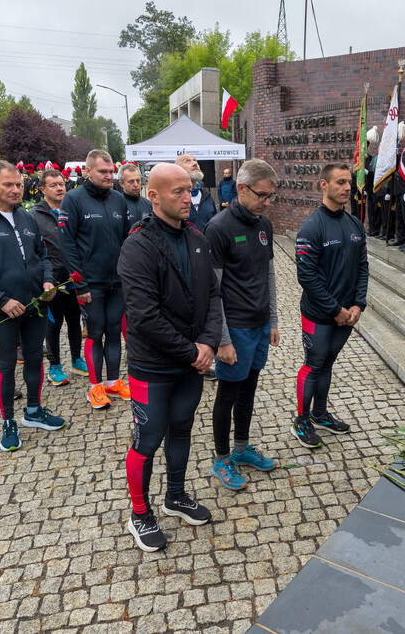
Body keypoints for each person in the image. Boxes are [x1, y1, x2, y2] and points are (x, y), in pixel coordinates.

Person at [118, 162, 223, 552]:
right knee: (147, 439)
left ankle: (174, 495)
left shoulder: (195, 234)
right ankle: (139, 513)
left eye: (189, 189)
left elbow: (213, 293)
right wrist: (192, 351)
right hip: (154, 366)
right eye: (178, 191)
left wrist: (209, 343)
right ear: (154, 196)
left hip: (192, 361)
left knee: (182, 429)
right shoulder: (138, 245)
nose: (187, 196)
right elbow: (143, 317)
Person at [0, 160, 65, 452]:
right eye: (8, 184)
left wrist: (47, 281)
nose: (16, 189)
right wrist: (0, 300)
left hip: (35, 305)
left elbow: (42, 255)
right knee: (6, 366)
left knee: (34, 358)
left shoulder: (27, 217)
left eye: (18, 184)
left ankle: (33, 411)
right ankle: (8, 421)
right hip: (1, 310)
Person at [205, 159, 281, 491]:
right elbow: (212, 290)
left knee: (249, 390)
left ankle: (241, 449)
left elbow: (269, 274)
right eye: (263, 195)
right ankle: (221, 459)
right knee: (227, 394)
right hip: (234, 329)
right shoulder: (218, 228)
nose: (268, 202)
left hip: (260, 325)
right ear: (241, 189)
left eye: (271, 196)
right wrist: (221, 339)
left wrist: (274, 320)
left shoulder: (265, 224)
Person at [292, 162, 368, 449]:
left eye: (349, 182)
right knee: (313, 364)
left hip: (347, 314)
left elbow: (363, 267)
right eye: (340, 182)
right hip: (320, 314)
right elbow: (306, 276)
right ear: (323, 185)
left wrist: (358, 304)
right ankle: (301, 420)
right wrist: (335, 310)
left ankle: (320, 414)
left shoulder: (354, 224)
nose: (348, 187)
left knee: (328, 363)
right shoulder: (312, 226)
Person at [60, 149, 132, 409]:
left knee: (115, 331)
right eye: (103, 171)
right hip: (90, 284)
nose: (109, 176)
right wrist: (79, 284)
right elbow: (67, 244)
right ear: (88, 171)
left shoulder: (118, 199)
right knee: (96, 332)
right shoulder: (73, 199)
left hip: (118, 281)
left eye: (112, 171)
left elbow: (127, 239)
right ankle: (95, 387)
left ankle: (113, 381)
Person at [30, 169, 87, 385]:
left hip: (73, 279)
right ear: (42, 189)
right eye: (53, 185)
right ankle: (54, 366)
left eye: (61, 183)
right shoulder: (34, 216)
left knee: (75, 321)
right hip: (50, 281)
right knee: (53, 325)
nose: (59, 188)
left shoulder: (72, 209)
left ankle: (76, 359)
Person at [175, 154, 216, 233]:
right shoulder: (174, 197)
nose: (195, 163)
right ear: (178, 169)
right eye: (187, 161)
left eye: (195, 160)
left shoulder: (207, 196)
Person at [119, 163, 152, 230]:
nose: (136, 184)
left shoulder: (149, 205)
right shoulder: (117, 205)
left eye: (138, 180)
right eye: (131, 181)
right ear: (122, 184)